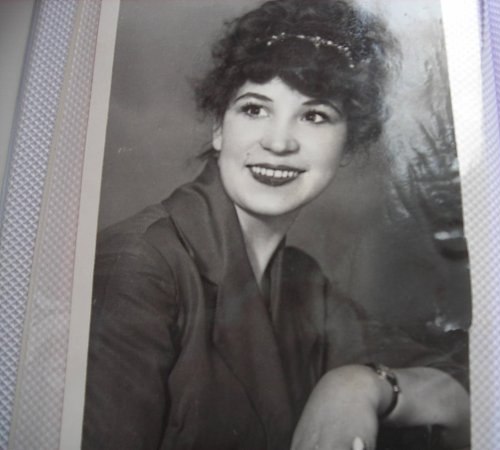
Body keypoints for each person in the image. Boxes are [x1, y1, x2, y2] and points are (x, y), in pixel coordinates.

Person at [82, 0, 470, 449]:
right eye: (255, 109)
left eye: (314, 115)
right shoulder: (139, 265)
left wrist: (359, 384)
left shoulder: (304, 284)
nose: (279, 142)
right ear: (219, 127)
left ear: (347, 145)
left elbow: (474, 378)